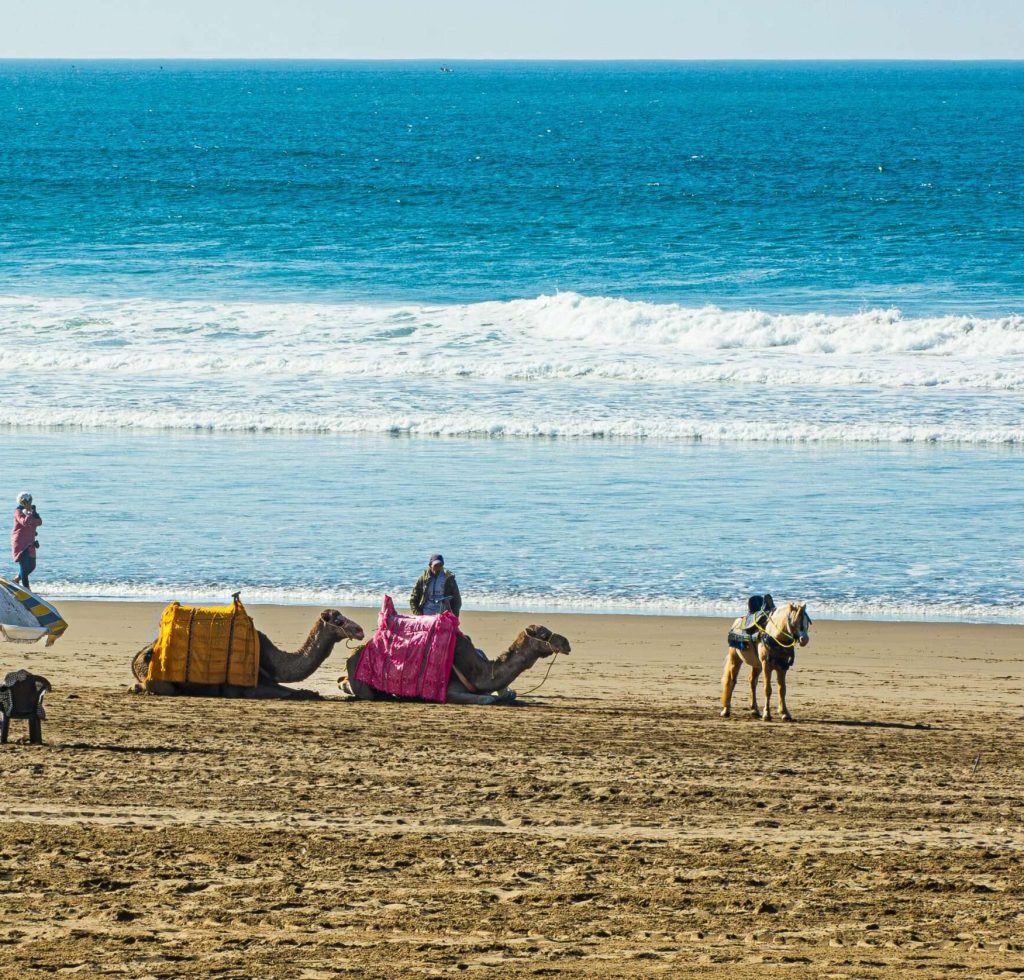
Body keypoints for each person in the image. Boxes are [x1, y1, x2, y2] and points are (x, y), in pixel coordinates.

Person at [410, 553, 462, 617]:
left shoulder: (449, 578)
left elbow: (457, 600)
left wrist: (454, 616)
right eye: (436, 565)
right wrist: (417, 613)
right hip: (426, 615)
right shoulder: (423, 578)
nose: (438, 568)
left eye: (440, 565)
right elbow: (414, 597)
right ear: (430, 565)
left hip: (443, 616)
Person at [12, 492, 42, 591]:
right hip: (20, 543)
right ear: (23, 501)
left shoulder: (33, 510)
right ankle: (27, 589)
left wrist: (31, 514)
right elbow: (24, 522)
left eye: (30, 501)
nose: (30, 503)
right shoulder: (18, 512)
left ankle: (16, 580)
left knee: (32, 566)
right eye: (27, 501)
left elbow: (39, 522)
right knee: (24, 567)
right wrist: (28, 513)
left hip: (31, 542)